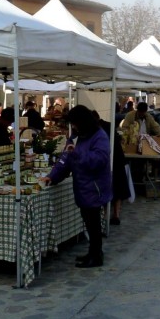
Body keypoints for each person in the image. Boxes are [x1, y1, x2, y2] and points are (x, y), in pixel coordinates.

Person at [41, 105, 111, 268]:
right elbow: (66, 160)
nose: (73, 126)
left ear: (82, 122)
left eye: (74, 123)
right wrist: (53, 177)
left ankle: (96, 256)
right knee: (89, 222)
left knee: (93, 224)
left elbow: (99, 160)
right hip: (82, 187)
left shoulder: (99, 136)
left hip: (94, 187)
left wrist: (77, 153)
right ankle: (93, 253)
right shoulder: (76, 136)